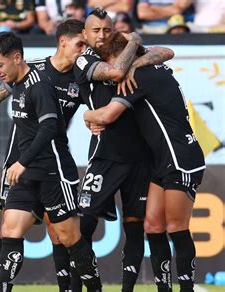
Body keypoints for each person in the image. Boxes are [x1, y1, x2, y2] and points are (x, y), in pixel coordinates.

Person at [0, 19, 89, 292]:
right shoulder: (31, 71)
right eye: (81, 43)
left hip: (51, 163)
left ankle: (71, 286)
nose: (84, 49)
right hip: (18, 163)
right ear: (63, 42)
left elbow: (64, 121)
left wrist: (97, 117)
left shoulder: (82, 78)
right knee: (8, 227)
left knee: (60, 235)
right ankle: (3, 286)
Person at [83, 31, 205, 292]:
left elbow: (106, 117)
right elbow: (166, 52)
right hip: (160, 160)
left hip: (180, 156)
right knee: (152, 224)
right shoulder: (150, 65)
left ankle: (187, 288)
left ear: (124, 56)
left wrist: (87, 114)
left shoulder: (140, 76)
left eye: (115, 60)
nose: (115, 68)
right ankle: (164, 287)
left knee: (176, 227)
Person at [0, 31, 102, 292]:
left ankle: (95, 288)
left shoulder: (40, 85)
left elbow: (49, 127)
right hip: (26, 175)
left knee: (69, 238)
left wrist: (22, 161)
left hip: (54, 172)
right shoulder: (18, 82)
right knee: (10, 230)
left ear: (17, 58)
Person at [73, 7, 174, 292]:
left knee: (135, 228)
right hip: (105, 156)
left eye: (107, 29)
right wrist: (133, 46)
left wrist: (135, 63)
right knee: (84, 226)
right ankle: (80, 286)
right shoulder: (85, 60)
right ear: (85, 34)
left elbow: (166, 52)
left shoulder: (126, 54)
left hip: (140, 157)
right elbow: (116, 74)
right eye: (96, 30)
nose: (102, 35)